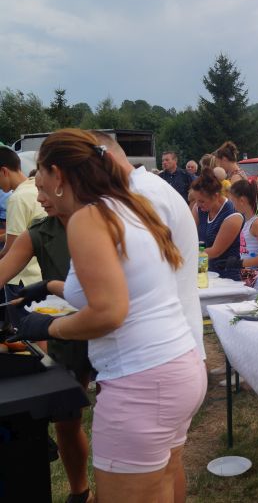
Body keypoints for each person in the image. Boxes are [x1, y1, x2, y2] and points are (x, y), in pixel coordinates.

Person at [10, 128, 206, 502]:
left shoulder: (88, 218)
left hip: (141, 382)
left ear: (58, 174)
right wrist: (51, 286)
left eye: (41, 179)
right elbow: (124, 285)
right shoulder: (129, 206)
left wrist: (49, 326)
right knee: (162, 483)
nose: (39, 191)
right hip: (178, 367)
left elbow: (110, 312)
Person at [94, 131, 206, 503]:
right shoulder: (147, 191)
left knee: (158, 471)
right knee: (167, 466)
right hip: (172, 349)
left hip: (155, 357)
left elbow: (135, 282)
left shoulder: (141, 198)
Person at [0, 178, 87, 501]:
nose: (38, 198)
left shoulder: (104, 221)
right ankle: (80, 491)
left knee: (118, 421)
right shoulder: (41, 231)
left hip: (111, 333)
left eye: (45, 189)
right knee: (66, 419)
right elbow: (3, 270)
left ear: (67, 183)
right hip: (65, 332)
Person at [0, 147, 47, 299]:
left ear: (4, 171)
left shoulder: (17, 198)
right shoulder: (34, 188)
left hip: (20, 278)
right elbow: (24, 231)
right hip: (39, 275)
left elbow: (11, 248)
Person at [191, 170, 243, 281]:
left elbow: (215, 251)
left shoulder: (233, 216)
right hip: (205, 268)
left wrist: (185, 253)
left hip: (228, 276)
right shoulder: (198, 208)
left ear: (216, 196)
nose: (198, 204)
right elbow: (190, 236)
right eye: (196, 200)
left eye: (202, 201)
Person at [229, 180, 258, 288]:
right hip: (250, 277)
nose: (232, 205)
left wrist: (240, 263)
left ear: (242, 200)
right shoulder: (245, 220)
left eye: (233, 201)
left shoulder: (257, 223)